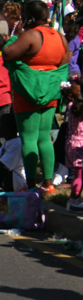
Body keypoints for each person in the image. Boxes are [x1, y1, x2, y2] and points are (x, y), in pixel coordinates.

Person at [3, 0, 70, 192]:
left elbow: (8, 54)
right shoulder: (59, 36)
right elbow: (65, 59)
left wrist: (14, 36)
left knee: (29, 139)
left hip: (27, 91)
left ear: (28, 16)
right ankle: (48, 183)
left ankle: (31, 184)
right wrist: (47, 72)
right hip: (50, 92)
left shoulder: (31, 35)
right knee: (44, 138)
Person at [62, 79, 83, 211]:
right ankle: (74, 201)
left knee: (78, 175)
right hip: (80, 144)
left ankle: (73, 200)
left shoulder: (70, 106)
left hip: (71, 144)